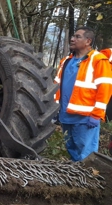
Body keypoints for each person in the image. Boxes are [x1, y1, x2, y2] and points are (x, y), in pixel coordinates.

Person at [54, 26, 112, 161]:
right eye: (73, 36)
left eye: (77, 36)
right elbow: (56, 87)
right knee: (72, 151)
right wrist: (54, 110)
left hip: (86, 118)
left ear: (88, 41)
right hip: (65, 116)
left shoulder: (98, 60)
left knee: (86, 155)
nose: (72, 39)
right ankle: (76, 178)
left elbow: (105, 89)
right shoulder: (66, 61)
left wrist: (97, 115)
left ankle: (88, 180)